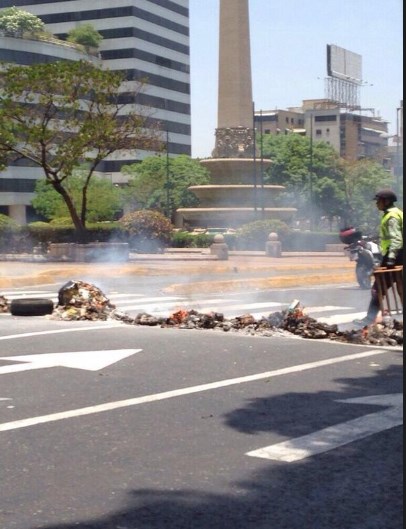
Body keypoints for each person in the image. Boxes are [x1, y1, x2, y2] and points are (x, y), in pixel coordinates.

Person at [354, 189, 403, 327]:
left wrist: (391, 258)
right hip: (400, 255)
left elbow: (397, 239)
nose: (376, 204)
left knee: (377, 288)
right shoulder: (397, 213)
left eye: (378, 201)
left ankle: (369, 319)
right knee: (401, 288)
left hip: (395, 255)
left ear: (386, 201)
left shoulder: (392, 216)